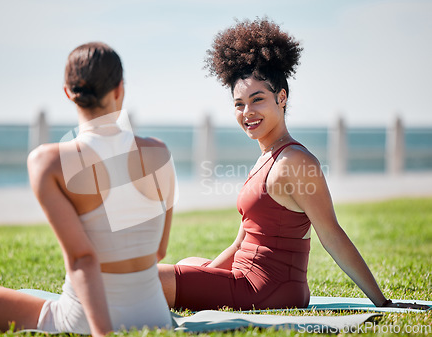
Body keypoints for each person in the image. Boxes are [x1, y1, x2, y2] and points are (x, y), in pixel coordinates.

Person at [158, 17, 429, 312]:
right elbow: (240, 244)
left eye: (257, 99)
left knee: (150, 279)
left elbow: (331, 234)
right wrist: (208, 273)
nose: (247, 112)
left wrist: (382, 302)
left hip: (265, 290)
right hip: (248, 278)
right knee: (188, 264)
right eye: (239, 104)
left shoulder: (294, 161)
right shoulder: (267, 158)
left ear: (281, 98)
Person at [0, 42, 176, 336]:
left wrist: (103, 333)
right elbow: (159, 251)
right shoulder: (159, 152)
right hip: (155, 314)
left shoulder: (47, 161)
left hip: (87, 319)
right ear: (119, 89)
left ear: (68, 93)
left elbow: (82, 259)